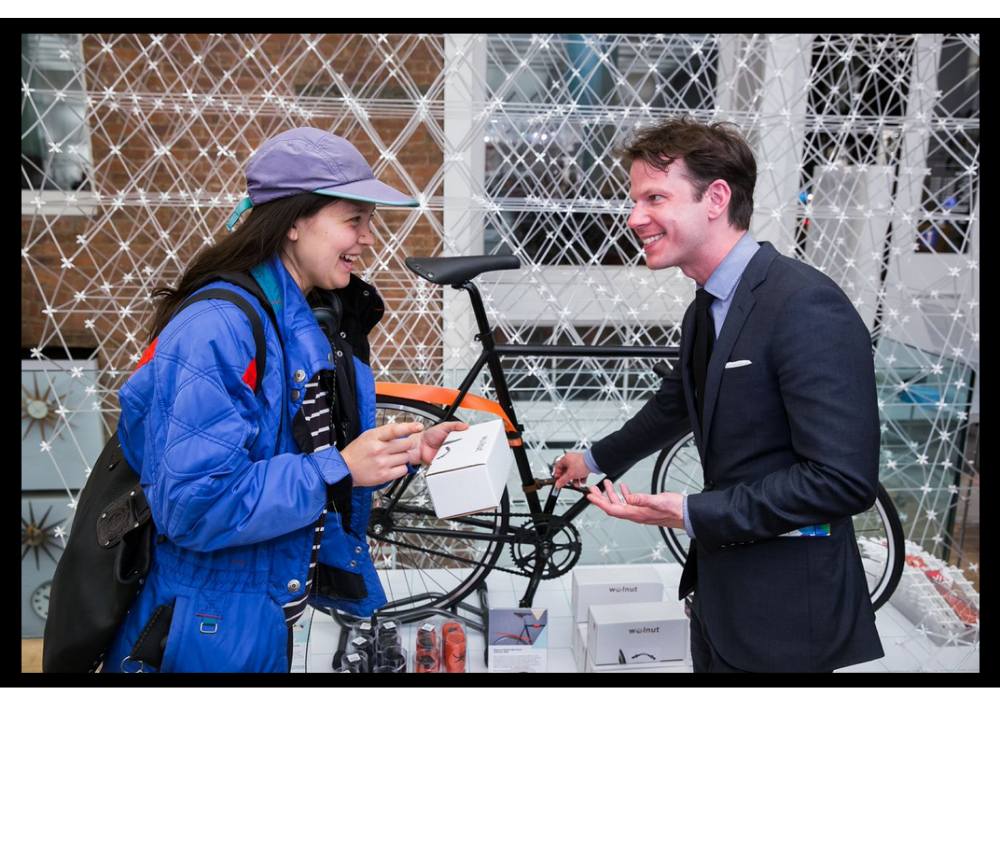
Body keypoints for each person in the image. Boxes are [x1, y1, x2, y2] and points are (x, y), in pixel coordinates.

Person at [102, 127, 466, 673]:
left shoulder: (298, 319)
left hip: (254, 617)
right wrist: (337, 469)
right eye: (354, 220)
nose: (369, 239)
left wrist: (398, 453)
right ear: (294, 221)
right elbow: (194, 506)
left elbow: (299, 451)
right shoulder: (218, 329)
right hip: (204, 631)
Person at [555, 117, 884, 673]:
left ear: (716, 198)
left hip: (783, 614)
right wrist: (591, 459)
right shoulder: (707, 304)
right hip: (720, 593)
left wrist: (689, 511)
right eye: (635, 200)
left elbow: (843, 480)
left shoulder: (804, 304)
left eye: (654, 197)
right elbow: (678, 402)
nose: (635, 218)